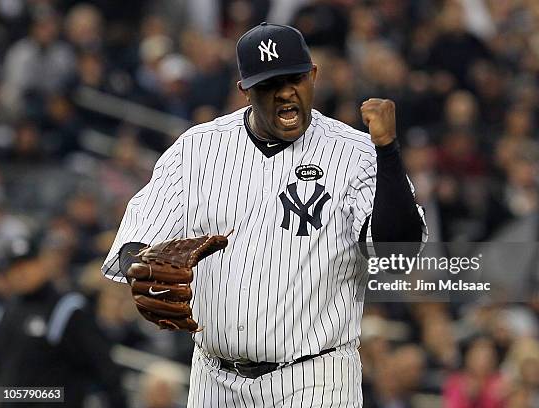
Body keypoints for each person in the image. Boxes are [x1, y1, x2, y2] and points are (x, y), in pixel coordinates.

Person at [102, 22, 426, 406]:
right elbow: (137, 235)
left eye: (295, 79)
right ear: (245, 90)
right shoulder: (197, 149)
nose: (286, 93)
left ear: (313, 76)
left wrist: (387, 151)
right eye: (270, 84)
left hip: (314, 378)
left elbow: (397, 254)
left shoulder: (356, 154)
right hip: (214, 378)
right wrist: (138, 265)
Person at [0, 235, 128, 407]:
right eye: (14, 268)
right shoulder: (10, 310)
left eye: (27, 264)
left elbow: (103, 366)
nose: (22, 273)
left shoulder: (66, 308)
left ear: (41, 262)